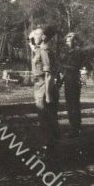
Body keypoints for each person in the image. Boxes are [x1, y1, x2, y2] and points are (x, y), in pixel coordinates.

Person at [31, 25, 60, 156]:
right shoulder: (40, 49)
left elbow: (49, 74)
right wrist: (32, 40)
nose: (32, 37)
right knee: (46, 118)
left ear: (43, 37)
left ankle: (48, 148)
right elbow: (31, 41)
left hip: (44, 87)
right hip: (40, 86)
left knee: (45, 119)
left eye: (36, 35)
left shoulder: (44, 51)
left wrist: (48, 94)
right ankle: (50, 146)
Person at [61, 32, 84, 136]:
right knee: (70, 104)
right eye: (66, 40)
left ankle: (75, 128)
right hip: (68, 79)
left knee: (73, 104)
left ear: (75, 41)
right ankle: (74, 127)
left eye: (69, 40)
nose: (67, 42)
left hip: (73, 80)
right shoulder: (70, 52)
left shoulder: (77, 52)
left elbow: (75, 67)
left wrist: (62, 65)